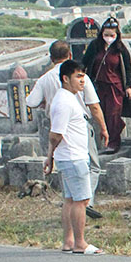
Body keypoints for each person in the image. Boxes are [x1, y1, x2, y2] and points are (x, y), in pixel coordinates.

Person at [26, 40, 109, 219]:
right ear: (70, 55)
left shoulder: (45, 78)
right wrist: (103, 127)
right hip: (78, 127)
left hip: (56, 127)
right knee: (91, 166)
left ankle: (75, 203)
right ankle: (87, 201)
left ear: (51, 57)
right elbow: (94, 106)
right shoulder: (78, 77)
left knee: (66, 173)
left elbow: (31, 102)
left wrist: (44, 102)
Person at [43, 61, 104, 254]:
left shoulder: (69, 99)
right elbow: (55, 134)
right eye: (78, 77)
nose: (82, 81)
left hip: (71, 156)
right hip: (73, 157)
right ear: (65, 78)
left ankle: (69, 241)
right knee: (81, 200)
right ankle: (80, 243)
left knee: (70, 200)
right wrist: (49, 157)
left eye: (83, 76)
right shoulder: (64, 102)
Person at [80, 17, 131, 153]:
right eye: (106, 35)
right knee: (101, 112)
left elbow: (127, 67)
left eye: (111, 35)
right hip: (98, 85)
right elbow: (84, 62)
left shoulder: (120, 49)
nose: (108, 38)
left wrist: (128, 86)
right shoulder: (95, 46)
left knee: (114, 113)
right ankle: (104, 139)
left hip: (115, 86)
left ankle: (114, 142)